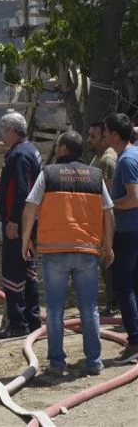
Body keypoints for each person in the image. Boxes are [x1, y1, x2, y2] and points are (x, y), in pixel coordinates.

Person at [21, 131, 114, 377]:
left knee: (54, 310)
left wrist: (25, 241)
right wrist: (108, 246)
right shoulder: (95, 176)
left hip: (54, 252)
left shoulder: (48, 173)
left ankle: (56, 364)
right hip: (87, 251)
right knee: (89, 308)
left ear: (62, 148)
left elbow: (30, 208)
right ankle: (94, 361)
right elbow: (109, 213)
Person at [0, 111, 43, 338]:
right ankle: (33, 321)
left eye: (3, 131)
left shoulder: (19, 155)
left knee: (14, 271)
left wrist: (14, 219)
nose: (2, 135)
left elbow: (24, 190)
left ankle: (18, 323)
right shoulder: (30, 150)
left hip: (20, 223)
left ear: (12, 131)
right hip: (29, 221)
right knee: (28, 270)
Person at [103, 113, 138, 364]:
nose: (104, 136)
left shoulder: (126, 160)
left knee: (123, 287)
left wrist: (107, 206)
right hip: (132, 230)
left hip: (127, 232)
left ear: (114, 134)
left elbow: (133, 197)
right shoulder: (134, 154)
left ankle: (134, 341)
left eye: (106, 131)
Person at [88, 121, 119, 315]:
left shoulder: (107, 161)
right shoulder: (97, 158)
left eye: (93, 136)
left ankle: (115, 302)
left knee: (110, 261)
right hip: (98, 220)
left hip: (107, 222)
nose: (88, 140)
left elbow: (109, 197)